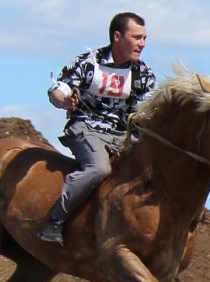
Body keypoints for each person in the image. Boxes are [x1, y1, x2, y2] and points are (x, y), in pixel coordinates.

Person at [38, 12, 155, 244]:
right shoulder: (89, 62)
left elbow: (149, 106)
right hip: (86, 128)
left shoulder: (143, 73)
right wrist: (62, 100)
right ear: (118, 36)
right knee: (99, 169)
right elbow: (57, 89)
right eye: (137, 37)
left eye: (144, 38)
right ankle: (55, 220)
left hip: (123, 135)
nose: (142, 44)